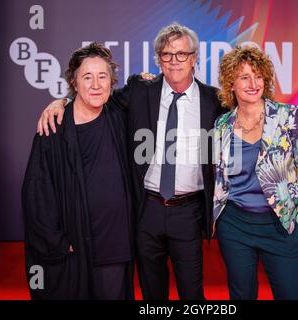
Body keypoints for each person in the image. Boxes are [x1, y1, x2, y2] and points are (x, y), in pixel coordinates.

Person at [36, 23, 223, 300]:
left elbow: (247, 111)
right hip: (146, 209)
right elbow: (97, 99)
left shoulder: (214, 100)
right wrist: (62, 101)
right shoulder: (140, 89)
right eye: (167, 54)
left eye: (182, 54)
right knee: (151, 293)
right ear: (158, 59)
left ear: (194, 58)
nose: (174, 61)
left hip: (189, 211)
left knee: (192, 294)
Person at [22, 42, 134, 299]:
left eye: (102, 76)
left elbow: (152, 92)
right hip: (71, 251)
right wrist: (57, 243)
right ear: (74, 81)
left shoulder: (119, 114)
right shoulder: (53, 129)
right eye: (87, 77)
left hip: (114, 246)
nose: (96, 84)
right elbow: (37, 193)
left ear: (111, 81)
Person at [212, 46, 298, 300]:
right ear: (231, 84)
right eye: (244, 77)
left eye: (258, 76)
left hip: (280, 225)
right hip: (235, 226)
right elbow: (220, 178)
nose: (253, 83)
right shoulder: (222, 125)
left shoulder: (290, 116)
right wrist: (220, 220)